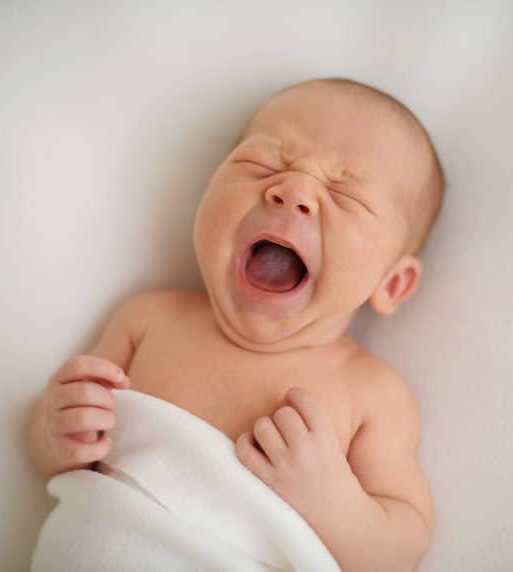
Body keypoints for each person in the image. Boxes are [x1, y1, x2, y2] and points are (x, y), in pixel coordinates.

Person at [29, 77, 444, 571]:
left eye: (345, 194)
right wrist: (58, 433)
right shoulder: (147, 320)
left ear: (392, 284)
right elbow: (57, 455)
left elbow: (400, 550)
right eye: (262, 163)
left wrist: (330, 500)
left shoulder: (372, 393)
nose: (293, 191)